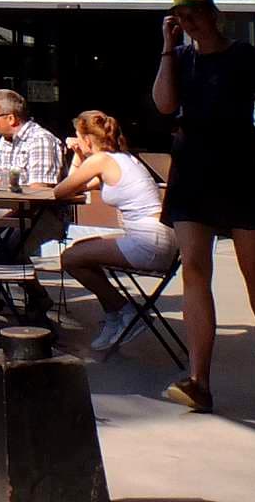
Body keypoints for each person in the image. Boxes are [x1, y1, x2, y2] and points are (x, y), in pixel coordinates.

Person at [153, 0, 255, 413]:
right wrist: (167, 48)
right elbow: (164, 105)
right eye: (181, 17)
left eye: (194, 14)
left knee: (253, 267)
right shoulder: (180, 59)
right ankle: (199, 379)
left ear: (213, 14)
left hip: (241, 165)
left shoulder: (243, 55)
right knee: (194, 269)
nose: (188, 23)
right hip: (193, 167)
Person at [51, 109, 177, 353]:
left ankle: (126, 311)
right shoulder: (122, 158)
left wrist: (78, 155)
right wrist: (79, 155)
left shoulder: (100, 160)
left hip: (148, 242)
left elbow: (60, 191)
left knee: (70, 258)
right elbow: (78, 186)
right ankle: (114, 315)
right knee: (80, 250)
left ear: (87, 139)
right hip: (160, 238)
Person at [0, 90, 62, 189]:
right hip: (7, 198)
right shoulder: (4, 140)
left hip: (30, 199)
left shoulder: (39, 140)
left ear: (11, 119)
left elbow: (39, 190)